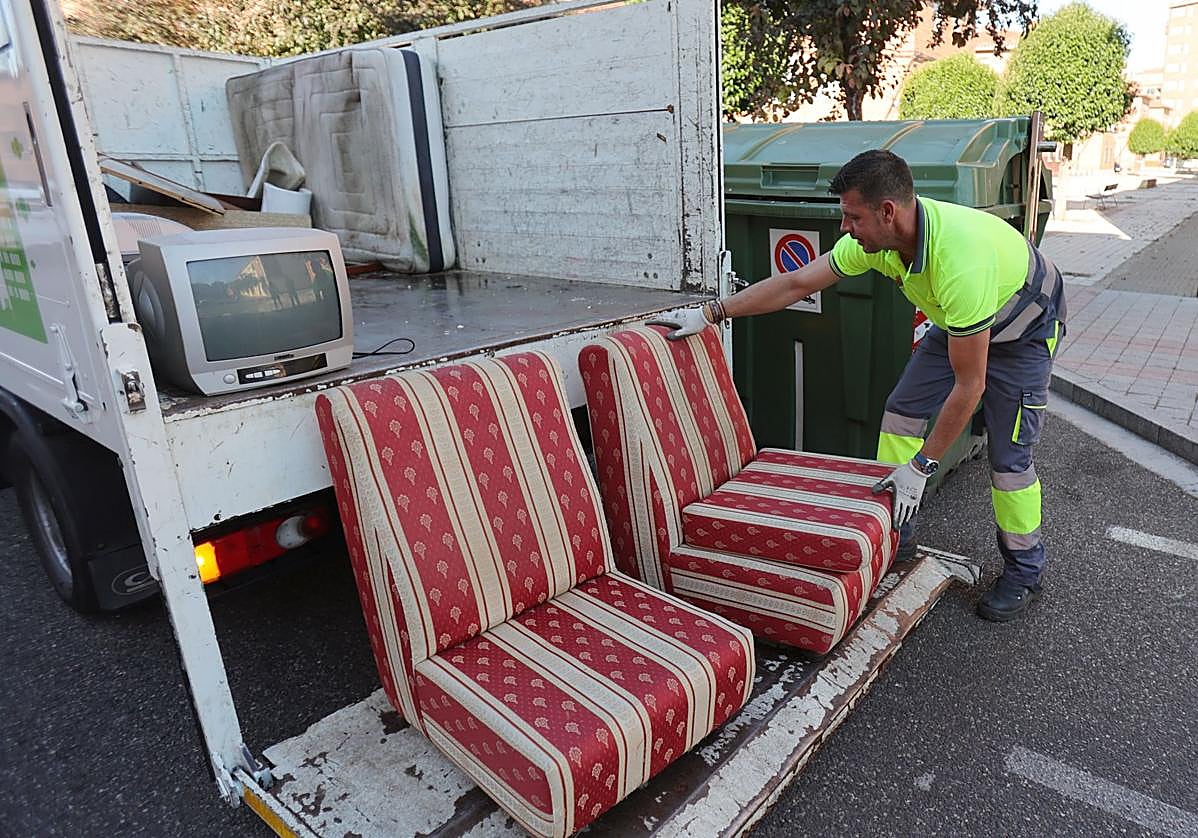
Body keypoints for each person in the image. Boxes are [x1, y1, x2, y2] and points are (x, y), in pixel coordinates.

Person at [656, 149, 1065, 622]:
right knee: (902, 412)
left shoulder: (959, 261)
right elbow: (795, 284)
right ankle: (897, 529)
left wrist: (924, 465)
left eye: (853, 217)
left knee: (1010, 462)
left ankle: (1024, 570)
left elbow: (969, 386)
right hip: (959, 322)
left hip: (1024, 332)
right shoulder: (878, 243)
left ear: (887, 212)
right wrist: (711, 313)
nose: (844, 228)